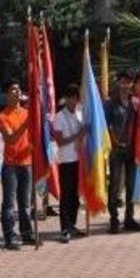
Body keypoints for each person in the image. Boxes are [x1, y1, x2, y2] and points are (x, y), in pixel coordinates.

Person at [0, 81, 35, 250]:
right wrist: (26, 124)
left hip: (26, 163)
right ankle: (9, 236)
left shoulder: (27, 113)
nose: (16, 92)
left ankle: (26, 233)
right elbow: (10, 139)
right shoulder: (2, 116)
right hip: (11, 164)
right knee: (9, 203)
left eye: (19, 90)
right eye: (12, 90)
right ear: (7, 96)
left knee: (25, 202)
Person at [105, 71, 140, 233]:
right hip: (116, 149)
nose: (125, 85)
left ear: (131, 84)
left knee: (131, 186)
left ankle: (129, 218)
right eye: (122, 82)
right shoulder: (110, 104)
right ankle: (114, 219)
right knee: (114, 186)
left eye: (128, 82)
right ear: (117, 83)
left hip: (132, 149)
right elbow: (105, 126)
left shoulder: (135, 103)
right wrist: (114, 142)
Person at [52, 84, 84, 242]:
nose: (72, 100)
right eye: (69, 97)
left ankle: (73, 223)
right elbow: (60, 140)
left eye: (75, 97)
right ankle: (64, 227)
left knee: (75, 195)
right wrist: (78, 135)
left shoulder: (80, 114)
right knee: (66, 195)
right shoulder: (59, 117)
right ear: (65, 99)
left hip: (80, 159)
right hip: (66, 160)